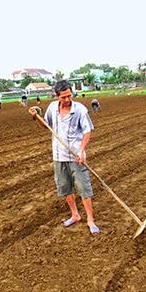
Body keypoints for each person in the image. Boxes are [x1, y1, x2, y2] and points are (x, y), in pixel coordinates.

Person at [28, 80, 99, 234]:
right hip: (59, 156)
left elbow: (87, 131)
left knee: (83, 188)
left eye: (69, 96)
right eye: (63, 97)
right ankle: (75, 214)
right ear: (57, 96)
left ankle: (90, 219)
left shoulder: (80, 109)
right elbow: (46, 126)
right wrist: (36, 117)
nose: (67, 99)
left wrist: (81, 151)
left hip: (76, 156)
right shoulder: (52, 108)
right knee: (65, 187)